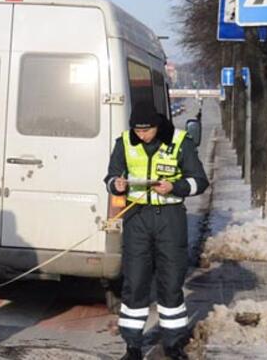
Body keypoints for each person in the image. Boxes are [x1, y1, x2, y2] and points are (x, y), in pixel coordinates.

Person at [104, 102, 209, 360]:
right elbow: (109, 178)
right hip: (136, 218)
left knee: (171, 282)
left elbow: (200, 181)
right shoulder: (124, 142)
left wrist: (175, 187)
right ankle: (132, 346)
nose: (142, 136)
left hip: (170, 219)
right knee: (135, 282)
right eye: (137, 131)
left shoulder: (179, 141)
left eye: (147, 131)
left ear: (157, 125)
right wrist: (116, 185)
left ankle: (172, 344)